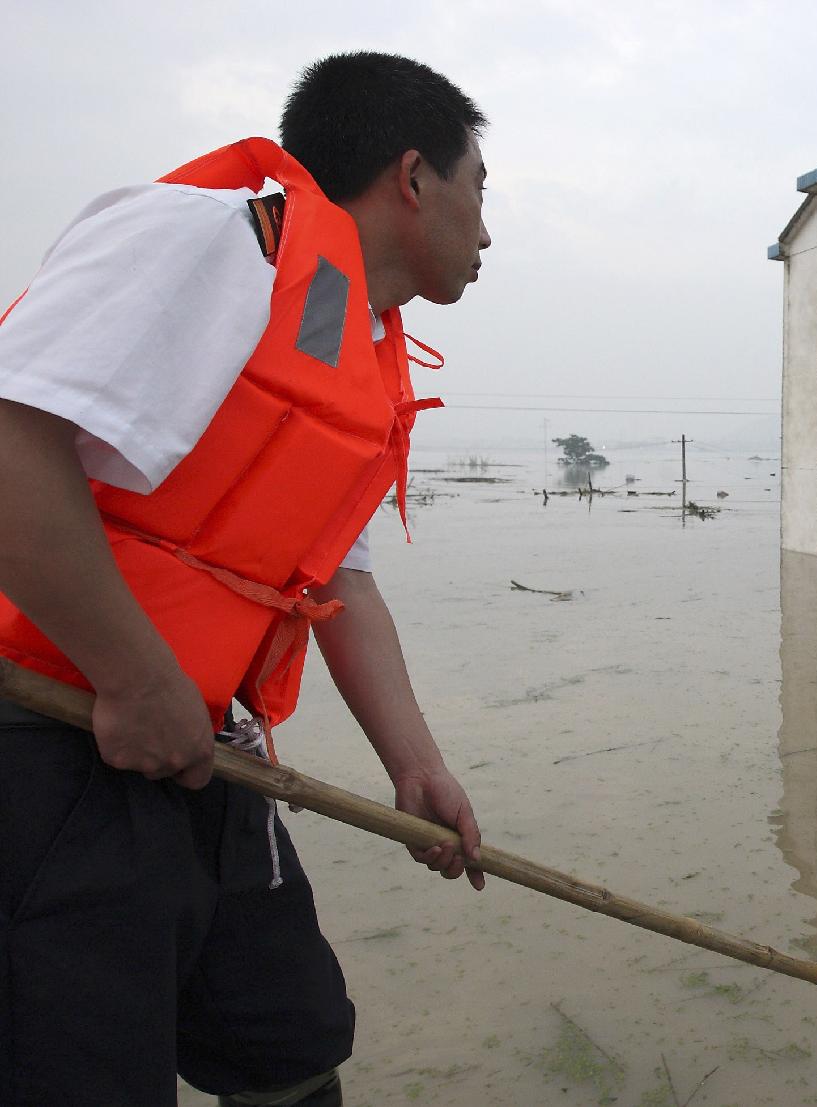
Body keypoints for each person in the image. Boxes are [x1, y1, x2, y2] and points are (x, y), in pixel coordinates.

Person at [0, 53, 491, 1107]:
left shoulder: (344, 338)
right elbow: (7, 439)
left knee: (291, 1047)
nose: (487, 231)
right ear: (413, 177)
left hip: (204, 752)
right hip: (47, 744)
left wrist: (418, 769)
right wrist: (131, 677)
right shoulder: (207, 242)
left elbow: (338, 582)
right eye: (478, 190)